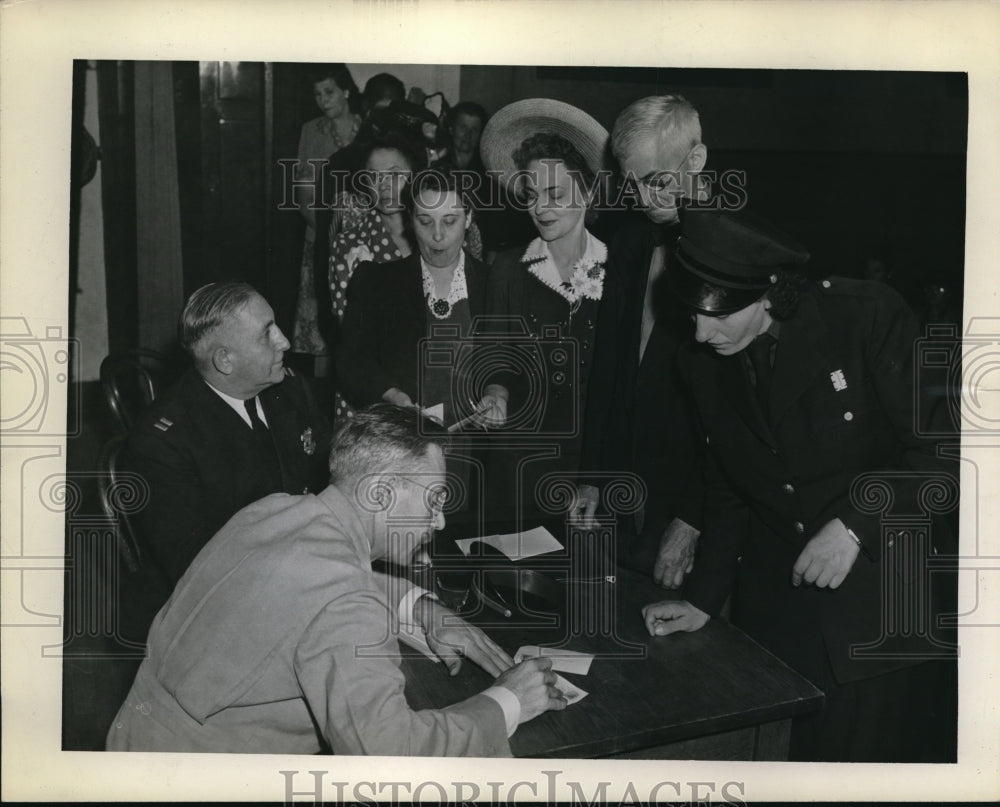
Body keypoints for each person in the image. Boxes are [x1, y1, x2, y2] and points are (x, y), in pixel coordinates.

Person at [641, 209, 957, 762]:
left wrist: (856, 526)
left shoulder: (862, 316)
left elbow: (947, 450)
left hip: (881, 611)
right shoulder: (704, 361)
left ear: (768, 294)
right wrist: (705, 601)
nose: (700, 332)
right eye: (693, 312)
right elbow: (729, 484)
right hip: (781, 614)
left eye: (720, 314)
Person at [106, 405, 567, 754]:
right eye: (434, 499)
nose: (440, 521)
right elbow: (386, 756)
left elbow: (309, 581)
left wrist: (419, 607)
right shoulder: (345, 599)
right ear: (382, 493)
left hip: (134, 740)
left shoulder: (271, 510)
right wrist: (509, 701)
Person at [120, 282, 331, 636]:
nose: (284, 342)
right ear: (224, 360)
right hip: (209, 614)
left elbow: (329, 476)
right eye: (267, 334)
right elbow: (200, 566)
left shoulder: (291, 389)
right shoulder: (162, 442)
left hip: (299, 574)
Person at [573, 94, 708, 580]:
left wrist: (692, 519)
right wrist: (592, 475)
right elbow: (608, 362)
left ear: (696, 160)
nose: (645, 200)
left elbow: (740, 422)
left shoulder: (735, 248)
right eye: (633, 185)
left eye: (657, 182)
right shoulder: (630, 238)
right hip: (624, 486)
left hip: (693, 498)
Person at [478, 99, 609, 523]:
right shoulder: (508, 268)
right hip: (519, 462)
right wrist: (496, 392)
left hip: (593, 464)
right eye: (533, 195)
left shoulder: (620, 270)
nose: (541, 208)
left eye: (556, 194)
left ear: (587, 192)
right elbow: (495, 357)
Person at [335, 170, 493, 427]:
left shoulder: (496, 283)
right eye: (425, 221)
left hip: (476, 444)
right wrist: (393, 396)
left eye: (449, 221)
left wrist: (497, 395)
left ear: (468, 219)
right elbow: (352, 362)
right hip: (403, 438)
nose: (438, 235)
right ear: (410, 220)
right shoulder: (375, 282)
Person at [291, 64, 362, 357]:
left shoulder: (368, 128)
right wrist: (331, 240)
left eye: (329, 92)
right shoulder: (311, 131)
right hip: (321, 239)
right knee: (323, 330)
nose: (323, 100)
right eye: (318, 94)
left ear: (346, 91)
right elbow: (304, 199)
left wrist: (356, 238)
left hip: (365, 242)